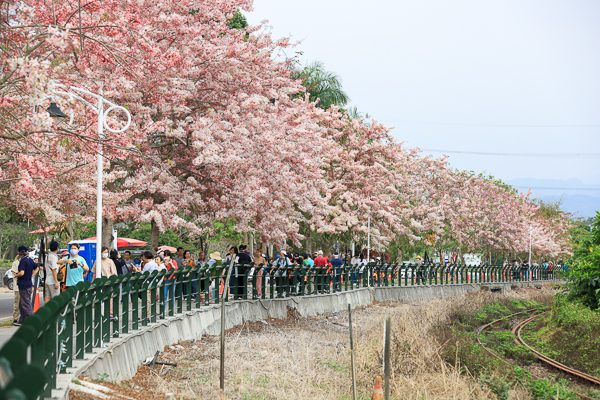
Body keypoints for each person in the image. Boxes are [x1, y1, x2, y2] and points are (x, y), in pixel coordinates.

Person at [14, 246, 39, 326]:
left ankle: (31, 320)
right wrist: (32, 275)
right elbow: (37, 268)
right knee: (22, 303)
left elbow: (22, 273)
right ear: (26, 251)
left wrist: (16, 274)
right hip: (28, 284)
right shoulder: (30, 260)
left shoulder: (23, 261)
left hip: (23, 285)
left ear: (18, 253)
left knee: (26, 303)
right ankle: (22, 320)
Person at [10, 255, 21, 325]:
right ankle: (16, 318)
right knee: (18, 302)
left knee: (26, 303)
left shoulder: (28, 261)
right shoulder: (15, 263)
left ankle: (24, 318)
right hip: (18, 286)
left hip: (26, 286)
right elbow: (15, 274)